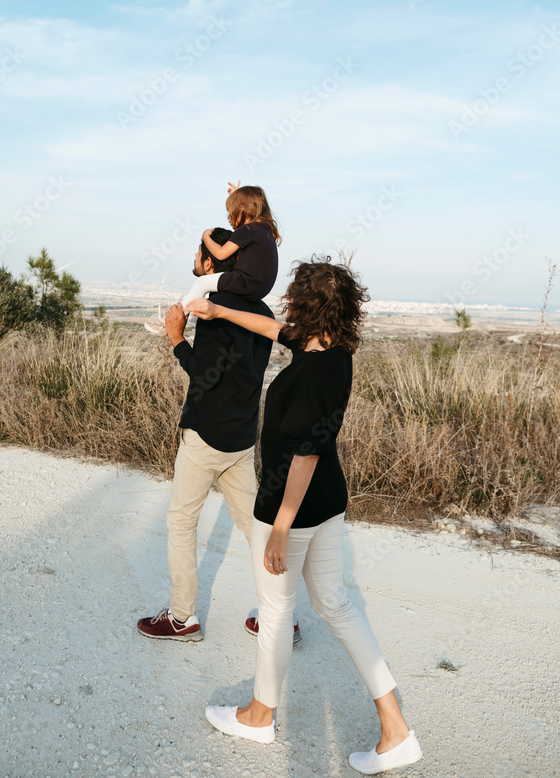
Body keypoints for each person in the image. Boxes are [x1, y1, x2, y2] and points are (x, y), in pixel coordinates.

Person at [187, 258, 423, 774]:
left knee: (275, 610)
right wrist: (216, 308)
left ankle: (258, 715)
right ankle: (395, 728)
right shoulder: (330, 350)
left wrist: (280, 528)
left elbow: (307, 453)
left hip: (290, 507)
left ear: (307, 302)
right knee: (337, 605)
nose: (286, 301)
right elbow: (272, 329)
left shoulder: (314, 371)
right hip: (328, 502)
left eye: (294, 294)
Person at [137, 228, 276, 642]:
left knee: (181, 521)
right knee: (256, 529)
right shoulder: (264, 312)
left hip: (207, 434)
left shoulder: (212, 308)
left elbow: (205, 375)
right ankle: (278, 616)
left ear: (211, 263)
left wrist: (177, 338)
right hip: (243, 436)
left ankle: (183, 617)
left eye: (197, 257)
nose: (194, 264)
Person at [144, 182, 280, 335]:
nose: (229, 217)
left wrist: (205, 236)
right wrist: (236, 197)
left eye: (232, 212)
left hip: (246, 282)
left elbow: (221, 253)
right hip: (261, 288)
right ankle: (195, 316)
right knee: (214, 286)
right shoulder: (264, 230)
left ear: (244, 210)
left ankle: (174, 319)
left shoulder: (249, 229)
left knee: (203, 282)